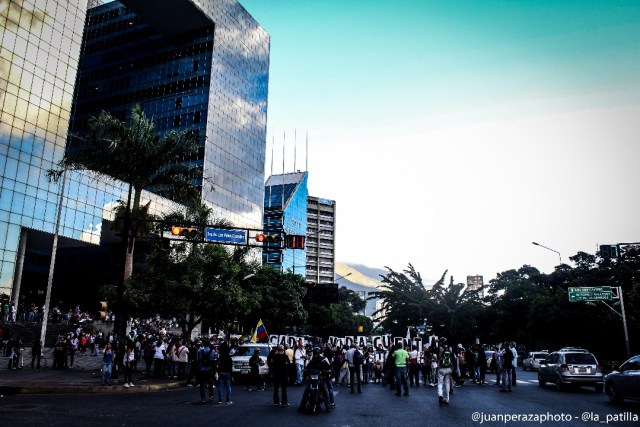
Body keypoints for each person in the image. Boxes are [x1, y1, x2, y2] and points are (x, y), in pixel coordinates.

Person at [299, 347, 332, 412]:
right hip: (313, 378)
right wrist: (305, 369)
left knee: (325, 391)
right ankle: (302, 406)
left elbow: (329, 368)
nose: (316, 355)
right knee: (306, 390)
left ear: (319, 353)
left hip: (321, 378)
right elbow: (309, 366)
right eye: (315, 353)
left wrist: (327, 371)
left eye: (317, 353)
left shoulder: (323, 360)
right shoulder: (313, 359)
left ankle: (328, 407)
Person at [437, 338, 453, 406]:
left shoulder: (440, 348)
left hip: (441, 368)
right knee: (447, 383)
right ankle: (447, 399)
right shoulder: (450, 349)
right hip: (448, 368)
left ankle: (440, 395)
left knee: (440, 383)